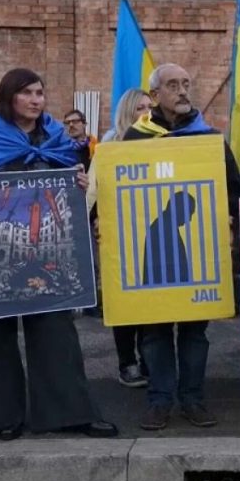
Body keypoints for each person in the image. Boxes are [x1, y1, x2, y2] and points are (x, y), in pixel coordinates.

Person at [0, 68, 116, 441]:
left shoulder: (60, 139)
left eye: (40, 93)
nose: (36, 99)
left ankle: (69, 413)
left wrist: (79, 184)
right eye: (27, 92)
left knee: (56, 333)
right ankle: (2, 416)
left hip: (48, 250)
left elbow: (73, 191)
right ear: (8, 96)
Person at [122, 63, 240, 431]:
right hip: (151, 254)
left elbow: (233, 188)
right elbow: (118, 194)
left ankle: (193, 399)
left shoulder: (208, 138)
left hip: (198, 250)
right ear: (155, 96)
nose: (183, 91)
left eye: (187, 83)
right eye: (173, 85)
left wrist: (233, 223)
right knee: (154, 333)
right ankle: (160, 401)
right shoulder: (135, 139)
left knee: (194, 332)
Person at [87, 88, 154, 384]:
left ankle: (150, 359)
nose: (147, 113)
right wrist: (94, 221)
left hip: (151, 230)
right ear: (128, 111)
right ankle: (127, 363)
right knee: (124, 301)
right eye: (140, 108)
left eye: (150, 107)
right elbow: (92, 190)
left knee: (152, 300)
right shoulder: (109, 146)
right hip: (118, 232)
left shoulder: (161, 143)